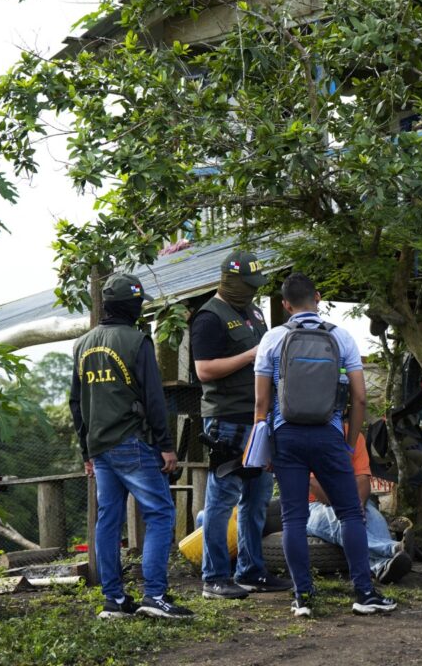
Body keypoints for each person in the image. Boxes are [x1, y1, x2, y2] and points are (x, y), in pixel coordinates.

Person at [253, 272, 397, 617]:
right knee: (350, 512)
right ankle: (364, 592)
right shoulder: (341, 337)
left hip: (286, 435)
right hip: (329, 434)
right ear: (317, 297)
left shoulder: (272, 339)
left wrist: (266, 447)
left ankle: (302, 596)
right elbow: (359, 399)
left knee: (293, 518)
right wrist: (348, 443)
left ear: (286, 305)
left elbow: (260, 406)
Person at [70, 273, 193, 620]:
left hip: (100, 447)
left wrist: (87, 452)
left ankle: (114, 600)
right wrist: (166, 446)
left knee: (108, 520)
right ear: (134, 306)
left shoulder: (82, 344)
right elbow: (154, 399)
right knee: (160, 513)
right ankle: (154, 595)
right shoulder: (137, 342)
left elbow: (76, 403)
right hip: (132, 443)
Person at [191, 249, 289, 599]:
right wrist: (252, 354)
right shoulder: (208, 317)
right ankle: (215, 576)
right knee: (222, 499)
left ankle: (251, 571)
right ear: (231, 281)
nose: (252, 291)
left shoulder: (256, 312)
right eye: (247, 285)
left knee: (257, 497)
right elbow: (204, 370)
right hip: (226, 419)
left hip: (259, 418)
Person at [306, 425, 411, 585]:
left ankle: (383, 568)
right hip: (312, 505)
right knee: (341, 520)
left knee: (375, 517)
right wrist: (349, 509)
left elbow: (363, 479)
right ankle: (393, 548)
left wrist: (359, 506)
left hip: (351, 499)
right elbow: (316, 486)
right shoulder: (307, 435)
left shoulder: (353, 434)